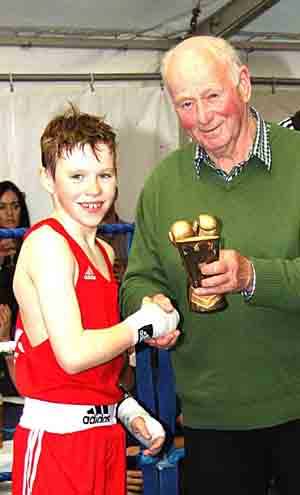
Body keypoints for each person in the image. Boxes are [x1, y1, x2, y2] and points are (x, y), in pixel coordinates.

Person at [120, 35, 300, 495]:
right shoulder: (163, 183)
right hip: (211, 419)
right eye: (185, 103)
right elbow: (137, 277)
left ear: (243, 83)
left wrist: (253, 276)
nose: (201, 117)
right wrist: (149, 309)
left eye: (211, 96)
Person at [11, 105, 180, 495]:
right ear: (47, 179)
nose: (93, 189)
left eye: (104, 175)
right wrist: (140, 325)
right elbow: (71, 355)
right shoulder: (48, 244)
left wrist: (127, 410)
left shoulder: (104, 252)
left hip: (103, 440)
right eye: (77, 176)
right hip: (56, 443)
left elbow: (95, 366)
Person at [0, 181, 30, 435]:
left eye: (15, 206)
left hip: (24, 331)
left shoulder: (33, 243)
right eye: (2, 207)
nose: (10, 213)